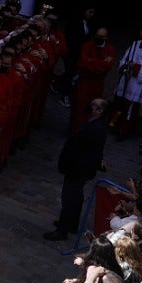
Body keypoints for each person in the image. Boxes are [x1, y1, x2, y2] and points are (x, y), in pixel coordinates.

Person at [48, 98, 108, 240]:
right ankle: (72, 223)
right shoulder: (95, 124)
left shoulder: (97, 128)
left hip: (78, 168)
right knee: (76, 196)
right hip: (79, 168)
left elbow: (87, 149)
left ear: (100, 111)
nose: (90, 106)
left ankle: (62, 229)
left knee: (69, 197)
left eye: (94, 105)